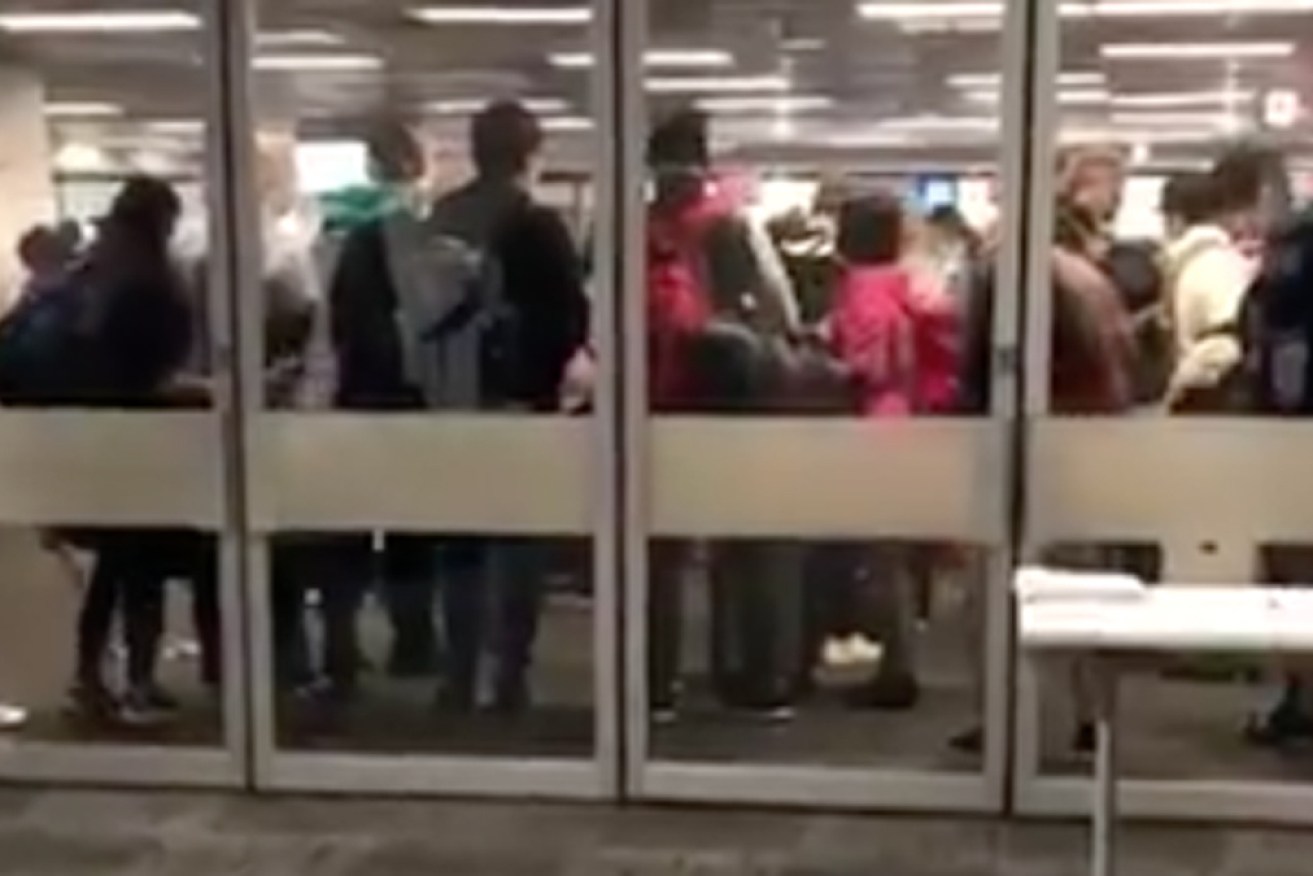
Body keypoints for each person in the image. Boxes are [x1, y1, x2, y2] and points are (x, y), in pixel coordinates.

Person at [645, 107, 803, 721]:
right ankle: (754, 677)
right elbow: (779, 313)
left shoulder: (633, 227)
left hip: (657, 401)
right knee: (751, 547)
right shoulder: (731, 226)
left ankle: (653, 683)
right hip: (735, 400)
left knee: (658, 554)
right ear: (705, 164)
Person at [63, 176, 218, 725]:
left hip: (97, 441)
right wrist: (193, 390)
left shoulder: (93, 275)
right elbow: (145, 375)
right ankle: (138, 682)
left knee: (115, 569)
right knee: (140, 568)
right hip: (144, 442)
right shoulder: (149, 284)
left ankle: (93, 676)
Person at [825, 192, 959, 709]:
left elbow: (867, 366)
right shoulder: (912, 286)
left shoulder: (862, 290)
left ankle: (896, 669)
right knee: (899, 557)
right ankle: (901, 661)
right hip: (916, 422)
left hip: (875, 427)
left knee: (881, 559)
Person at [1161, 166, 1257, 413]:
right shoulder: (1207, 262)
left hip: (1211, 399)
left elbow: (1226, 336)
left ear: (1175, 219)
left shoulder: (1212, 266)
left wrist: (1181, 389)